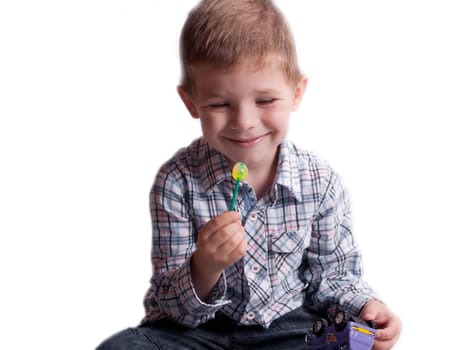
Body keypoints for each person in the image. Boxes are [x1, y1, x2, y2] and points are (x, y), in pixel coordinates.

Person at [97, 0, 401, 349]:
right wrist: (204, 267)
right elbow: (171, 307)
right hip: (199, 332)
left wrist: (367, 306)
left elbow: (332, 276)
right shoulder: (177, 181)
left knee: (345, 343)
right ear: (191, 102)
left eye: (266, 100)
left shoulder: (319, 181)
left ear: (296, 93)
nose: (244, 121)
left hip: (288, 329)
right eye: (220, 104)